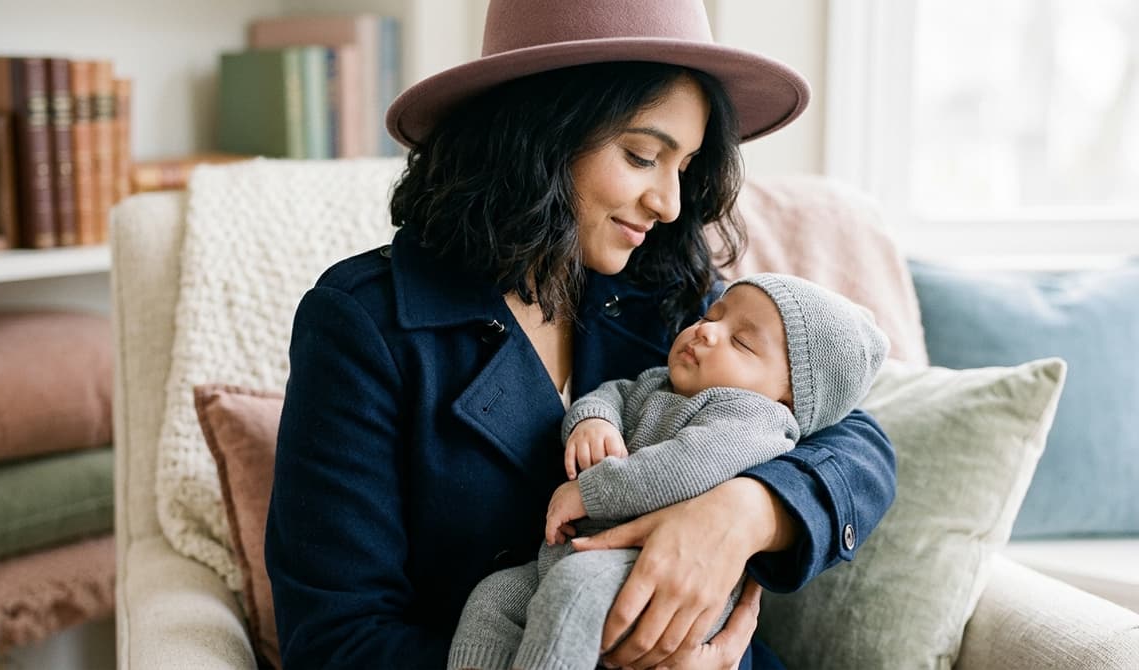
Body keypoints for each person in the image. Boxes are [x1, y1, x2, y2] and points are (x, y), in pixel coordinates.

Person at [264, 1, 897, 668]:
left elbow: (856, 434)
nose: (670, 204)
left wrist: (747, 512)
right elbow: (336, 642)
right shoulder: (368, 322)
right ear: (538, 131)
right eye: (642, 155)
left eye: (682, 167)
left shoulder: (666, 291)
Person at [448, 274, 890, 670]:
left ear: (789, 398)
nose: (707, 331)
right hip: (579, 557)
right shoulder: (658, 382)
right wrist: (593, 421)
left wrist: (590, 491)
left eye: (741, 342)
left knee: (574, 595)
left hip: (652, 577)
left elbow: (683, 465)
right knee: (493, 600)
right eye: (711, 316)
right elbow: (612, 394)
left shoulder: (757, 419)